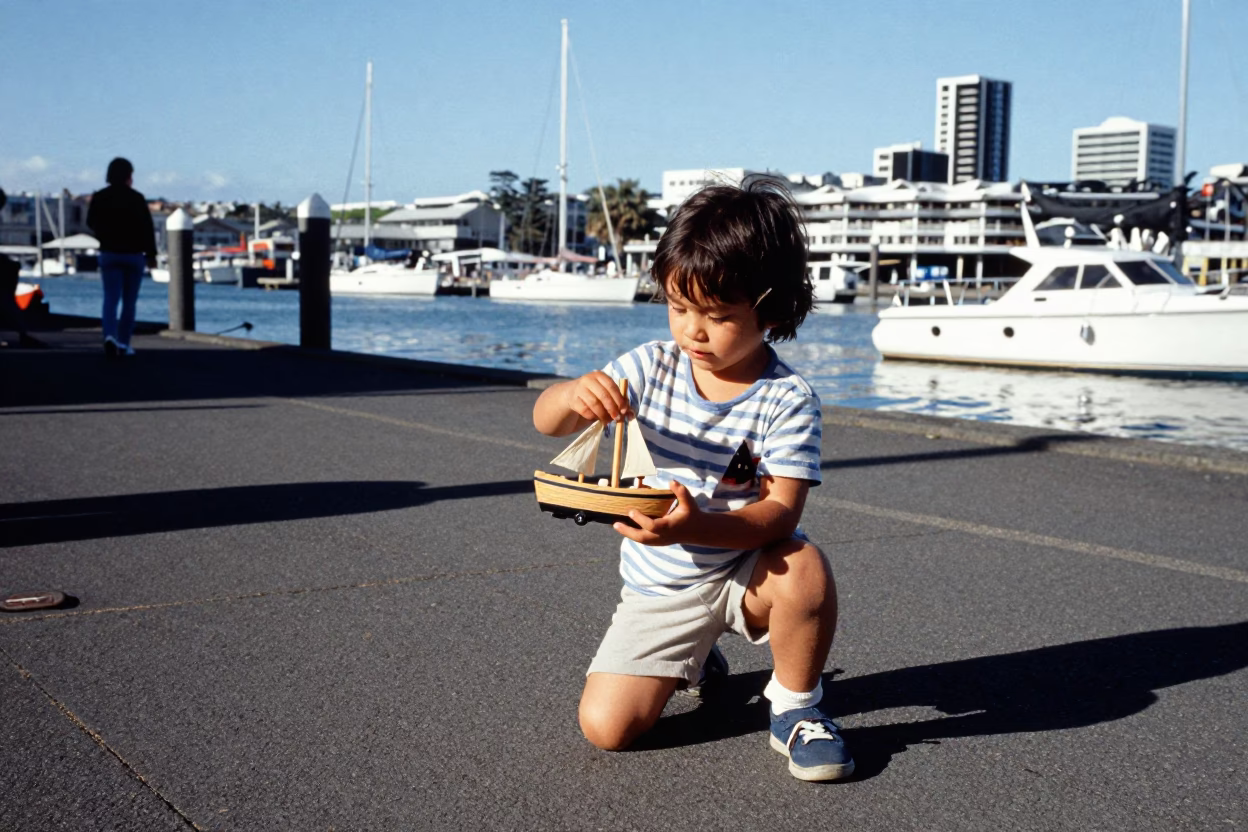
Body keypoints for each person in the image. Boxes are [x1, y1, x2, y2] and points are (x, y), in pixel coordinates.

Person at [532, 179, 853, 782]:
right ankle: (696, 656)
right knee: (606, 729)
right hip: (661, 589)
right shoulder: (648, 366)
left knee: (803, 566)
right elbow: (547, 421)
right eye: (680, 307)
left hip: (744, 572)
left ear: (773, 311)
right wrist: (572, 394)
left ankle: (796, 707)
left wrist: (696, 525)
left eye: (719, 316)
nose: (693, 332)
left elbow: (780, 513)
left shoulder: (787, 399)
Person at [86, 157, 156, 357]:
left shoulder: (100, 197)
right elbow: (147, 228)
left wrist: (103, 235)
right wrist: (151, 254)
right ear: (128, 176)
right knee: (129, 302)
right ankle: (124, 343)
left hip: (109, 252)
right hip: (134, 255)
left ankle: (109, 336)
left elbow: (90, 221)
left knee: (110, 298)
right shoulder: (137, 198)